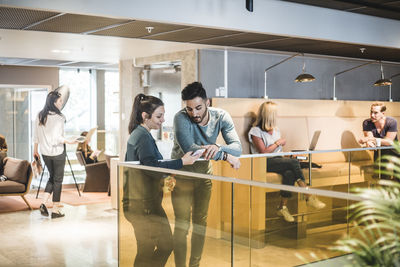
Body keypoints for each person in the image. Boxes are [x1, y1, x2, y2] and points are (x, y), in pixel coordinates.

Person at [123, 93, 200, 267]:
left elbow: (149, 165)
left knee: (152, 247)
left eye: (163, 115)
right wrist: (182, 162)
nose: (163, 120)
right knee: (156, 247)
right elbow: (152, 168)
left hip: (142, 203)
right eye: (159, 116)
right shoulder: (142, 136)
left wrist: (170, 171)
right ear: (145, 116)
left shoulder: (140, 134)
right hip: (143, 206)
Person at [171, 82, 242, 267]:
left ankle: (195, 265)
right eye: (189, 109)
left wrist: (218, 147)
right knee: (182, 225)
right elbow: (191, 150)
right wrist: (226, 155)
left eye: (198, 108)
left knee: (200, 225)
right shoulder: (180, 118)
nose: (194, 113)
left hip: (204, 178)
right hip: (182, 177)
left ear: (207, 102)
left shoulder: (221, 116)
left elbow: (238, 147)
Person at [248, 101, 325, 223]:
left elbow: (279, 152)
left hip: (276, 160)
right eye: (275, 113)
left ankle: (282, 207)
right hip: (262, 163)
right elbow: (263, 153)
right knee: (293, 164)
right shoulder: (255, 131)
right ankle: (308, 195)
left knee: (289, 172)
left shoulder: (276, 130)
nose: (277, 116)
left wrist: (288, 155)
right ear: (269, 115)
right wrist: (277, 143)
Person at [33, 91, 77, 219]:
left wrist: (35, 150)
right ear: (53, 103)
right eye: (60, 101)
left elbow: (36, 135)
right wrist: (70, 141)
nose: (61, 104)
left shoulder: (40, 115)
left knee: (52, 178)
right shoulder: (59, 117)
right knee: (58, 180)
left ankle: (43, 203)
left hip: (45, 153)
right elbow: (57, 138)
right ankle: (56, 210)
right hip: (57, 153)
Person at [359, 102, 399, 179]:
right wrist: (369, 143)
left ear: (383, 113)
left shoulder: (392, 122)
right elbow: (370, 138)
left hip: (395, 151)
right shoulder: (367, 123)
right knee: (382, 177)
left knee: (397, 177)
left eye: (376, 113)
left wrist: (369, 139)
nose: (372, 115)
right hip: (380, 152)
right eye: (371, 112)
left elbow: (389, 142)